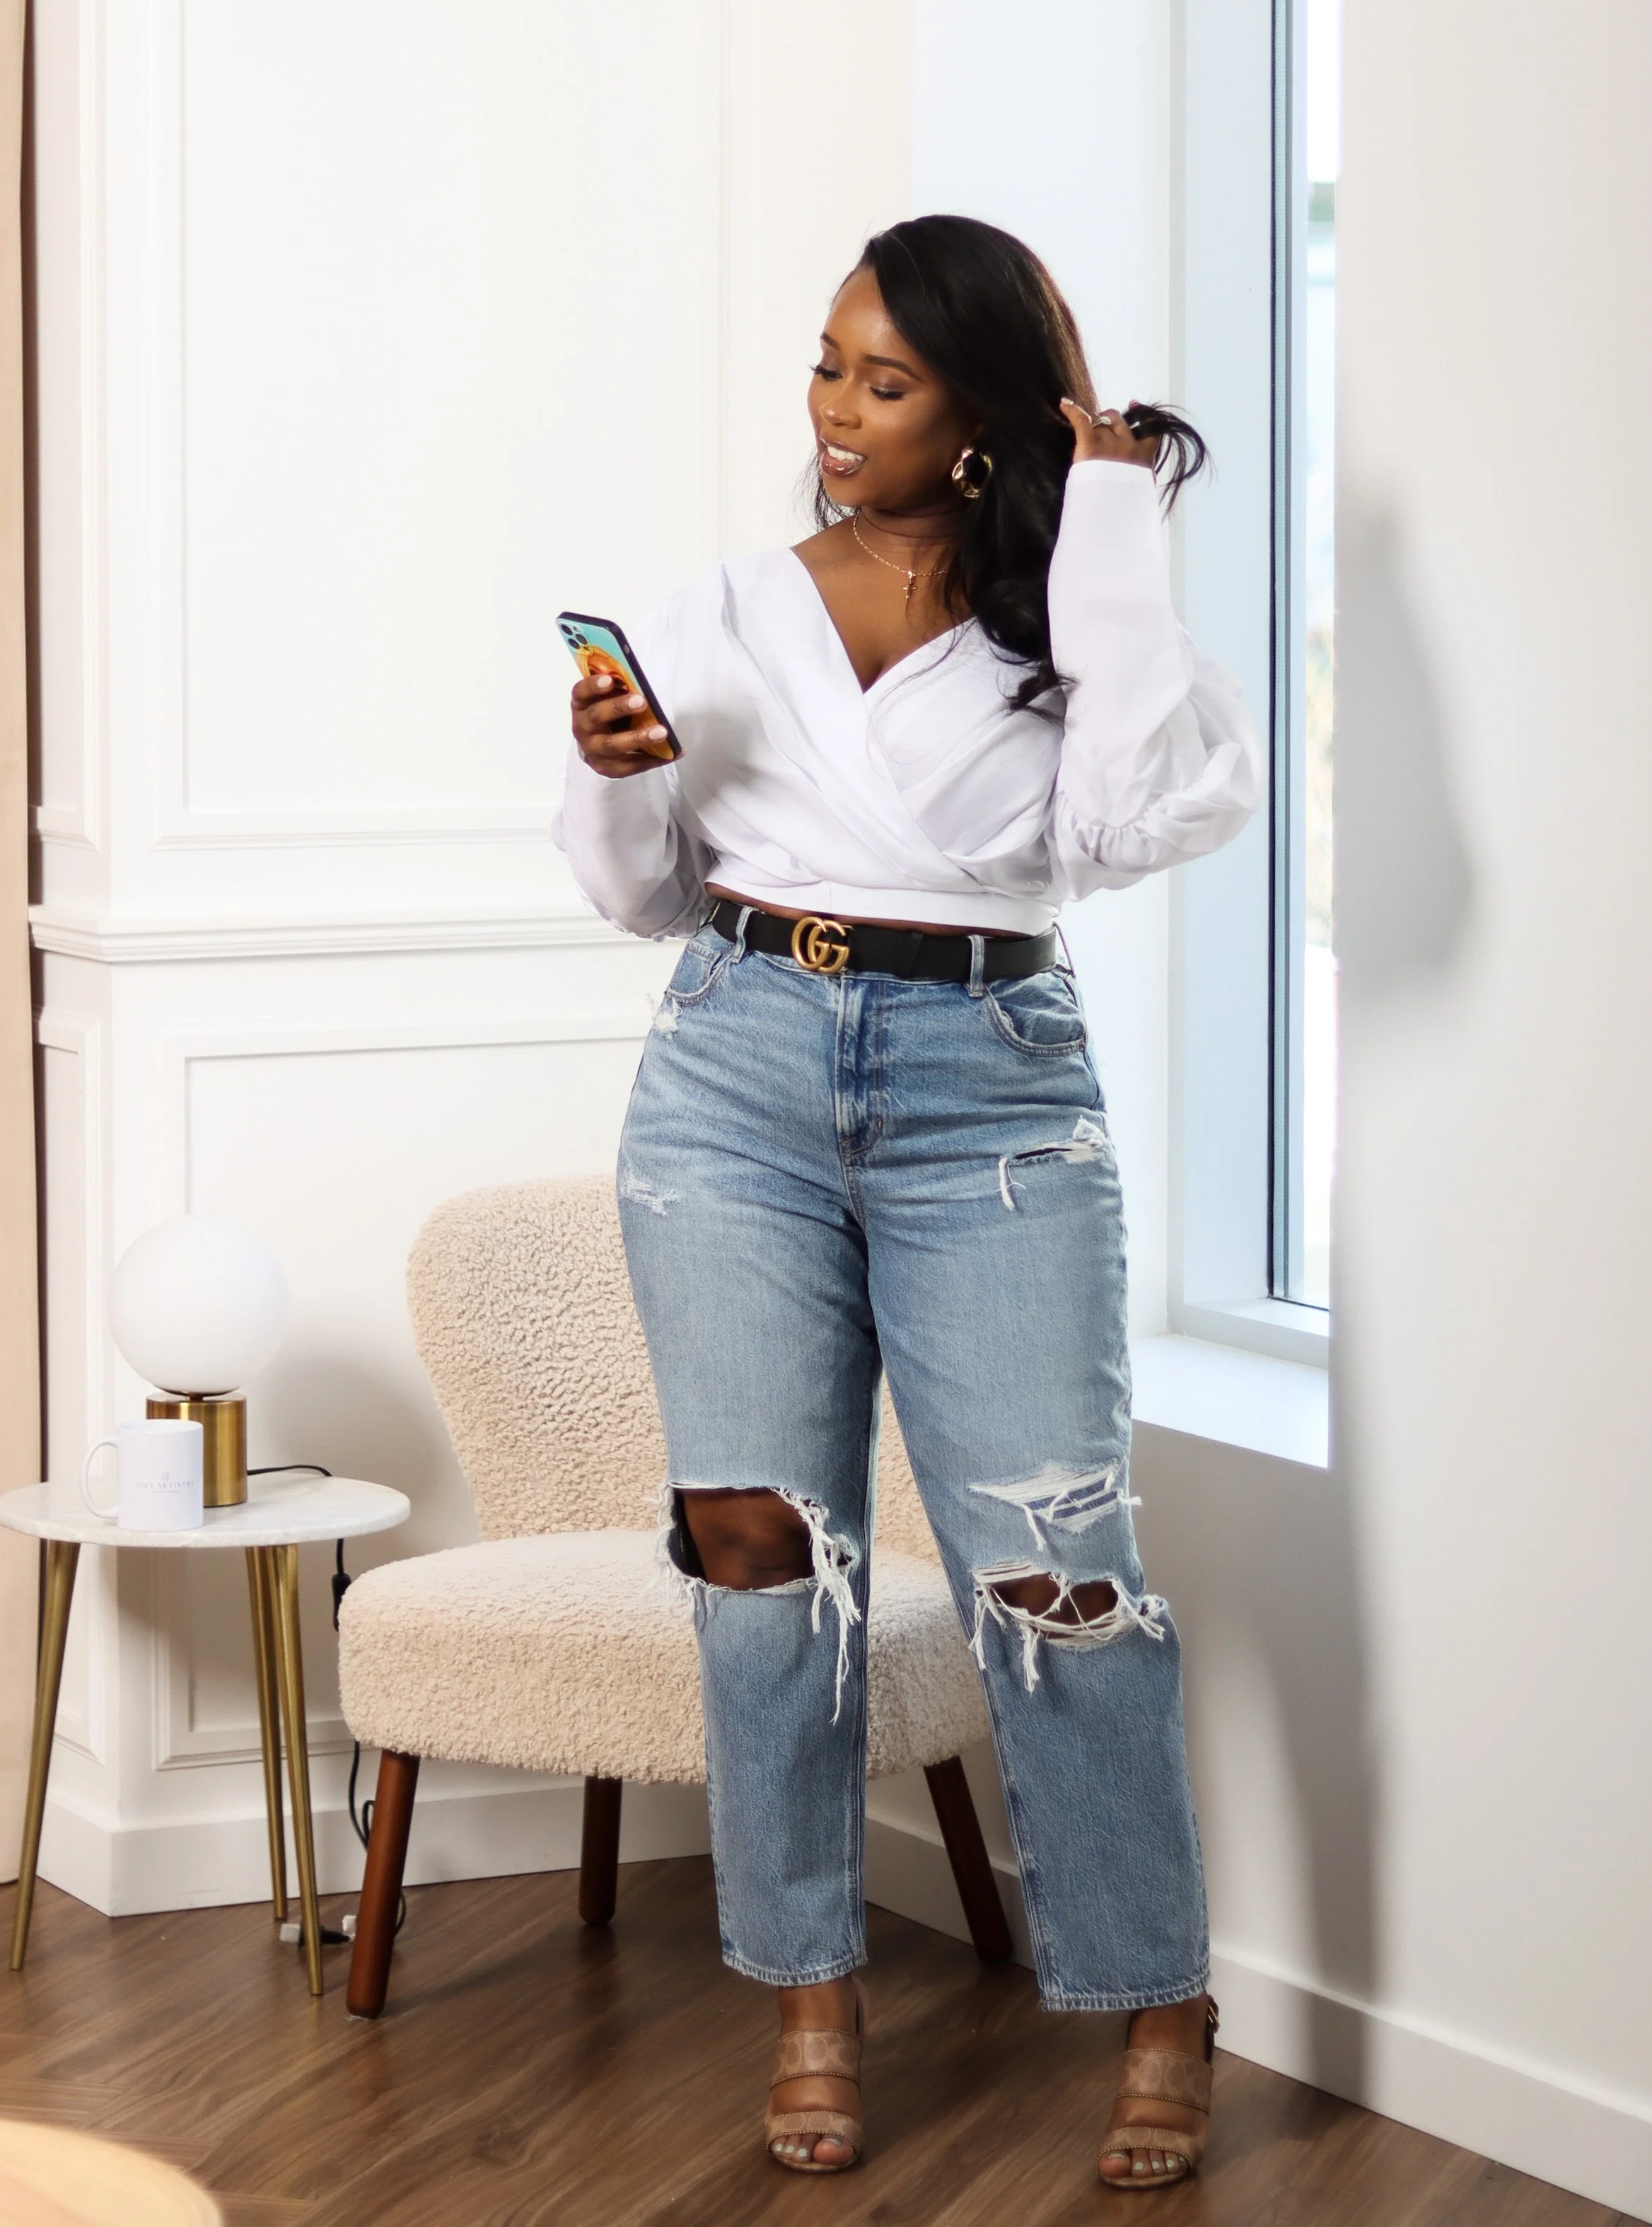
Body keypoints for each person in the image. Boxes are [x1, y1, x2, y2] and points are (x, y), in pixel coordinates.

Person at [551, 214, 1260, 2190]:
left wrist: (1112, 515)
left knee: (1062, 1570)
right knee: (761, 1551)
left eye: (882, 378)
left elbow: (1124, 823)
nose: (831, 410)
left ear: (977, 420)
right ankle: (805, 1984)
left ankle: (1155, 1983)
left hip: (990, 1097)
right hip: (733, 1073)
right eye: (824, 364)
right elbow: (632, 888)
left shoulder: (1073, 623)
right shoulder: (732, 604)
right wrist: (615, 764)